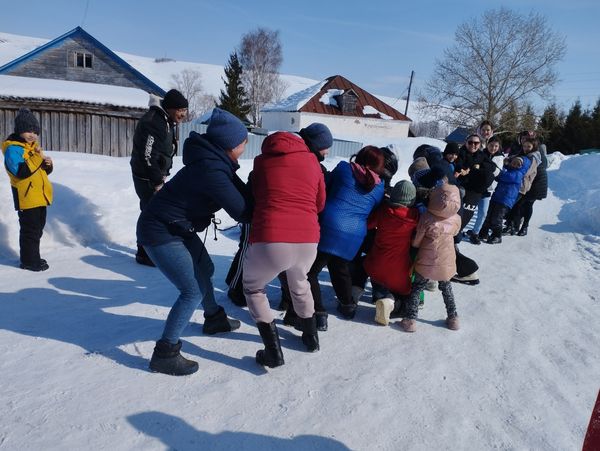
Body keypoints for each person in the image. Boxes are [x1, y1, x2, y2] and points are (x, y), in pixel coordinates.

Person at [137, 108, 250, 376]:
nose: (246, 144)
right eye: (244, 140)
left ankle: (214, 318)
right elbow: (243, 211)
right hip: (159, 231)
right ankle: (165, 353)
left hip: (177, 226)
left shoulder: (216, 161)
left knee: (206, 269)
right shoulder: (211, 169)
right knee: (191, 291)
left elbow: (244, 194)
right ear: (231, 144)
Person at [225, 123, 333, 309]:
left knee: (281, 260)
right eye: (325, 148)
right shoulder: (310, 164)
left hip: (273, 218)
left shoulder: (296, 159)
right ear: (315, 146)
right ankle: (238, 289)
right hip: (263, 213)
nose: (327, 152)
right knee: (250, 250)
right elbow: (319, 202)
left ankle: (283, 300)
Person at [242, 131, 326, 368]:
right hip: (308, 238)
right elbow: (320, 203)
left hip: (271, 237)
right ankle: (311, 337)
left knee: (253, 288)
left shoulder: (261, 162)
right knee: (300, 283)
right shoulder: (312, 161)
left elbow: (256, 195)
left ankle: (273, 352)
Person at [308, 146, 385, 323]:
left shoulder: (344, 169)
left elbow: (325, 187)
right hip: (354, 234)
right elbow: (372, 210)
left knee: (310, 272)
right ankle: (348, 306)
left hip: (329, 226)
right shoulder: (379, 187)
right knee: (339, 267)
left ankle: (318, 312)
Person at [130, 89, 189, 266]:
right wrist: (156, 181)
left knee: (150, 211)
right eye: (180, 110)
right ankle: (144, 253)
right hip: (146, 177)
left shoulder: (165, 120)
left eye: (185, 110)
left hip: (154, 174)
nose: (183, 114)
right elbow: (147, 155)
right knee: (151, 213)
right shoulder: (154, 122)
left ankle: (147, 250)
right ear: (169, 108)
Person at [400, 182, 462, 333]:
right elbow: (455, 233)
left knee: (417, 288)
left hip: (426, 260)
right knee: (446, 288)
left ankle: (410, 320)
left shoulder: (426, 217)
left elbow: (417, 241)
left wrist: (414, 244)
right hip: (446, 260)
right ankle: (453, 318)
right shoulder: (457, 219)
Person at [2, 108, 53, 271]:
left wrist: (47, 165)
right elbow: (21, 171)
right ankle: (29, 261)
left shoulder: (32, 148)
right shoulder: (13, 150)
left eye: (35, 132)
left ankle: (33, 256)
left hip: (39, 197)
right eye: (28, 131)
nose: (32, 135)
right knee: (30, 231)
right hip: (26, 198)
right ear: (19, 131)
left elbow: (39, 172)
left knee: (37, 229)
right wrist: (38, 157)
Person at [363, 180, 419, 326]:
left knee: (376, 275)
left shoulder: (384, 211)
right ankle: (391, 302)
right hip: (399, 271)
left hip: (375, 265)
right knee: (407, 300)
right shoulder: (415, 216)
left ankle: (380, 295)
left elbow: (368, 224)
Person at [478, 154, 531, 244]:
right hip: (497, 197)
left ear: (522, 167)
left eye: (518, 164)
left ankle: (497, 236)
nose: (515, 165)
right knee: (489, 215)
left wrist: (497, 170)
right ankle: (483, 233)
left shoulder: (518, 174)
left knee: (497, 218)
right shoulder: (509, 170)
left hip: (505, 200)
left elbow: (504, 176)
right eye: (514, 162)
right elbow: (499, 177)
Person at [468, 135, 505, 244]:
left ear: (499, 147)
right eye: (491, 145)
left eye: (496, 146)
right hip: (475, 187)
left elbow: (496, 173)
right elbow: (474, 166)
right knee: (468, 210)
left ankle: (475, 233)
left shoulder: (500, 158)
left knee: (483, 213)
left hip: (488, 189)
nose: (493, 148)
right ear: (487, 145)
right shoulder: (480, 154)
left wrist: (483, 167)